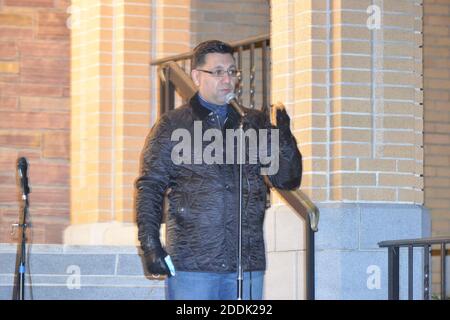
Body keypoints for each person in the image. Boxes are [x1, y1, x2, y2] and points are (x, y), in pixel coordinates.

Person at [135, 40, 302, 300]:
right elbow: (150, 186)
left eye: (232, 71)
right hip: (193, 263)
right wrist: (149, 244)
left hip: (245, 262)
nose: (228, 79)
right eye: (218, 71)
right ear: (196, 76)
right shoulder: (173, 125)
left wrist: (284, 137)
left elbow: (287, 180)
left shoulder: (254, 122)